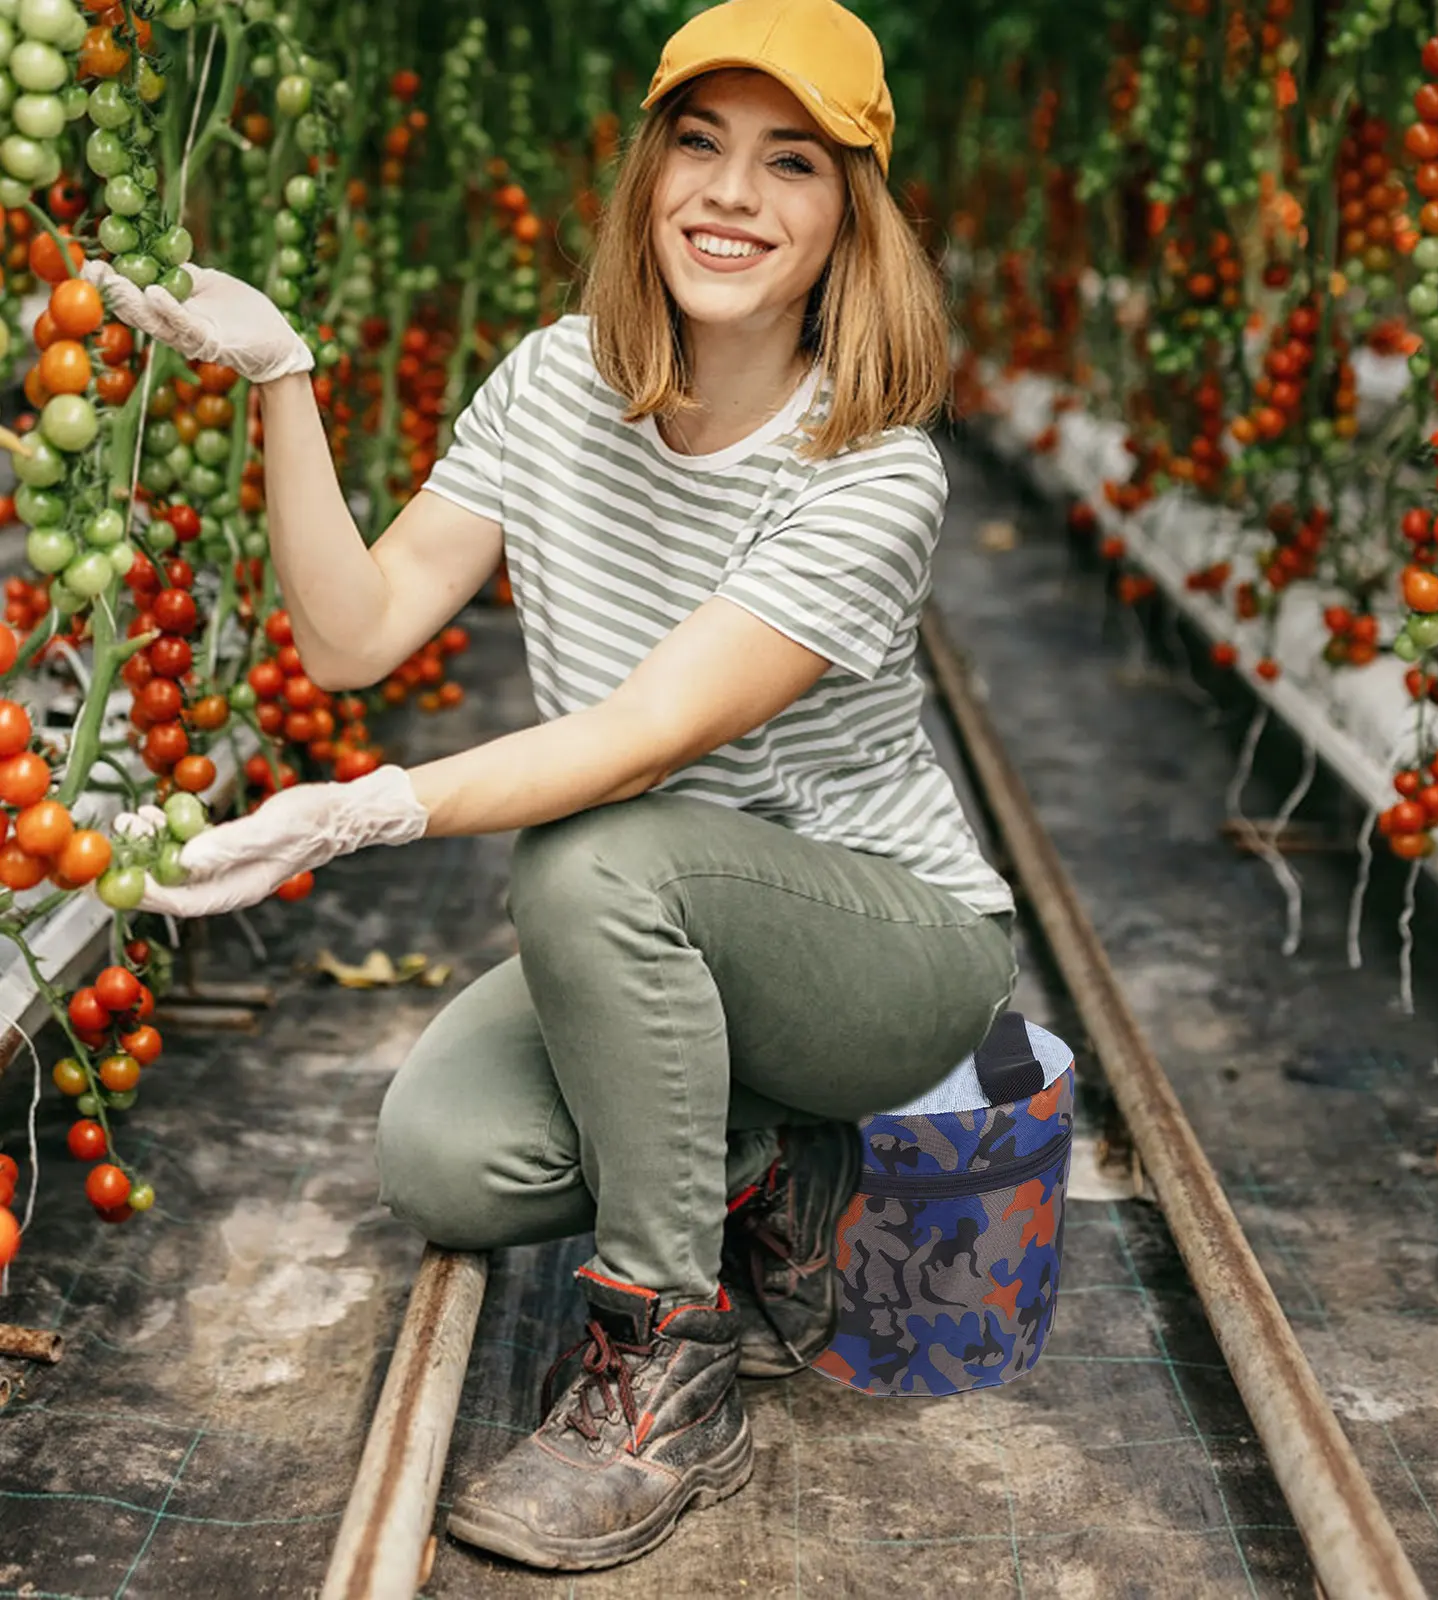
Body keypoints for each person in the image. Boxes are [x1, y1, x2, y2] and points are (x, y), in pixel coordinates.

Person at [89, 0, 1018, 1573]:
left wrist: (361, 808)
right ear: (650, 176)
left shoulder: (874, 466)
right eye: (702, 148)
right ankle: (777, 1173)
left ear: (852, 217)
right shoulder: (550, 386)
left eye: (791, 164)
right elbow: (355, 632)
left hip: (889, 948)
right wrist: (286, 381)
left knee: (592, 854)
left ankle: (663, 1364)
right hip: (664, 921)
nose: (734, 196)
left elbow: (649, 736)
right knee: (444, 1160)